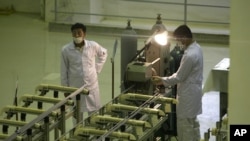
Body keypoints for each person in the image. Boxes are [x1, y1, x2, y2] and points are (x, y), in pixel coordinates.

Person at [151, 24, 203, 141]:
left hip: (187, 96)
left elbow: (179, 77)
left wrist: (161, 81)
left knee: (185, 128)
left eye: (179, 40)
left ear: (184, 37)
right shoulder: (197, 48)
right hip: (194, 94)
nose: (178, 43)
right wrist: (163, 79)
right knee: (193, 123)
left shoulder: (189, 55)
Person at [61, 23, 108, 123]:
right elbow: (63, 69)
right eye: (74, 33)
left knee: (95, 118)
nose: (77, 35)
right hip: (75, 88)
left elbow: (103, 54)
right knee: (77, 118)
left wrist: (96, 69)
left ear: (84, 34)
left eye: (79, 33)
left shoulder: (93, 46)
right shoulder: (66, 50)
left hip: (91, 87)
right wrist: (65, 87)